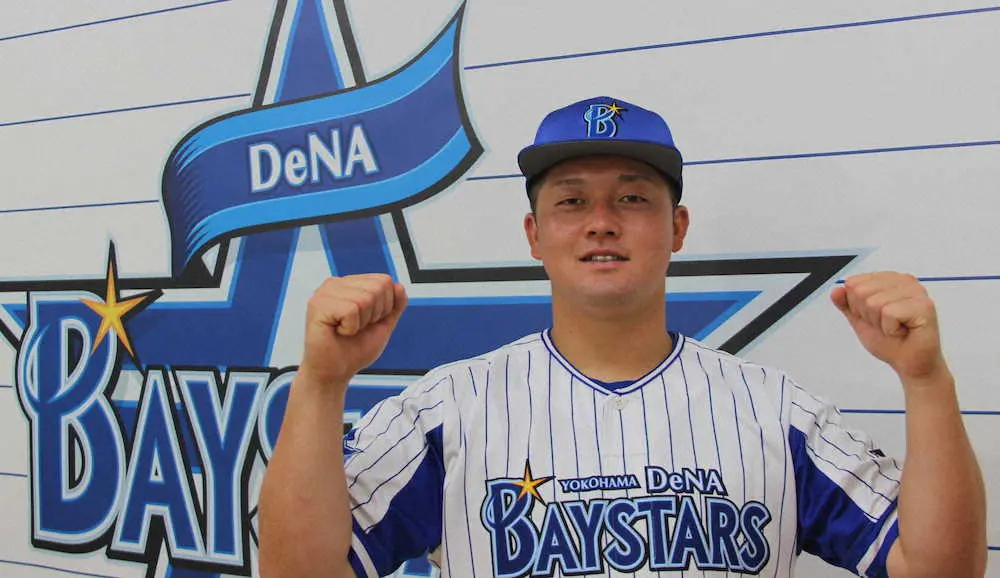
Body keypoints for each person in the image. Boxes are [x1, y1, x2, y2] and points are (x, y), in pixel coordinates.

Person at [258, 96, 986, 577]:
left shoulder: (776, 409)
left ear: (677, 228)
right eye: (572, 201)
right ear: (534, 235)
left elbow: (938, 569)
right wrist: (321, 384)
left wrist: (926, 381)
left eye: (632, 198)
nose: (602, 222)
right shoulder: (451, 408)